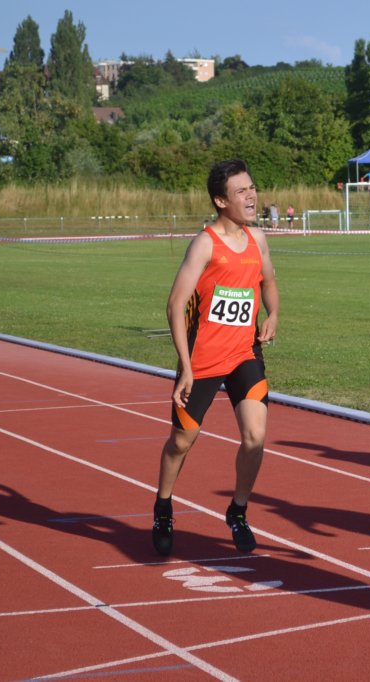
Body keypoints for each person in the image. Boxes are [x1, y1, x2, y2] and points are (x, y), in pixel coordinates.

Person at [152, 158, 279, 557]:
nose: (251, 196)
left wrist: (273, 313)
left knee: (255, 437)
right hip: (203, 359)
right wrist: (186, 368)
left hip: (244, 353)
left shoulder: (258, 238)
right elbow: (175, 306)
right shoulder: (205, 244)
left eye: (252, 187)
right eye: (241, 191)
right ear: (221, 201)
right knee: (181, 442)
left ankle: (237, 511)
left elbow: (269, 281)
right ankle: (163, 507)